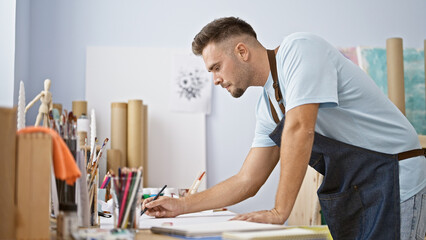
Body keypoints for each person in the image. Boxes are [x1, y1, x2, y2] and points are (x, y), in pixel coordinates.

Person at [143, 17, 426, 239]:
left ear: (241, 51)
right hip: (363, 188)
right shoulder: (269, 106)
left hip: (396, 177)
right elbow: (248, 180)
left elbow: (301, 128)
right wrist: (182, 205)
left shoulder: (299, 49)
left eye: (216, 67)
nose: (215, 80)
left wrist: (280, 211)